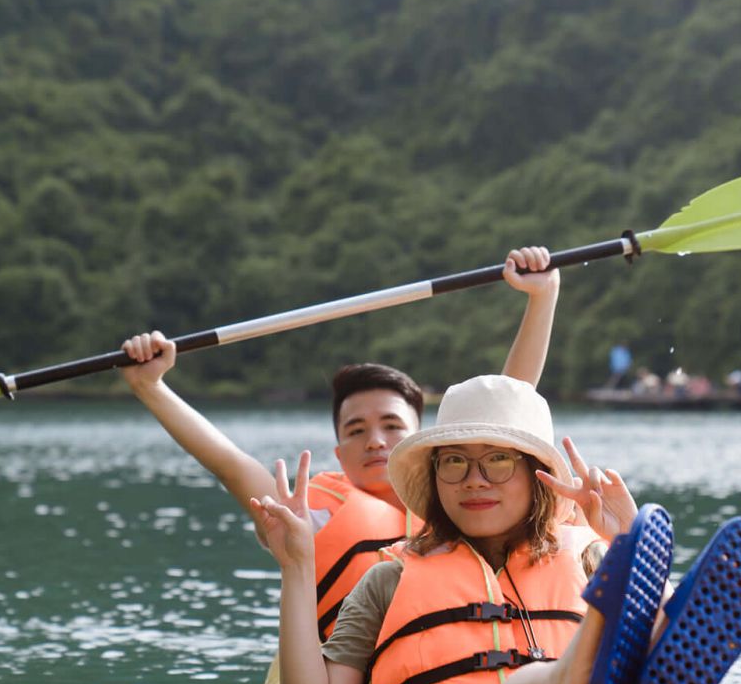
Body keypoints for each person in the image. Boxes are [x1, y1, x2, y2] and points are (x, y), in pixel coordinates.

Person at [252, 374, 741, 684]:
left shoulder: (590, 556)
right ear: (435, 479)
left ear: (538, 477)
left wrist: (622, 544)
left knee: (645, 638)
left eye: (499, 460)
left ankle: (635, 631)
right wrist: (298, 567)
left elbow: (682, 675)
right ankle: (569, 680)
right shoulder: (387, 581)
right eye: (455, 461)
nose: (474, 481)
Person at [119, 248, 561, 638]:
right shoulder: (307, 514)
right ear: (339, 453)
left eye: (392, 426)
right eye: (355, 430)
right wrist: (151, 387)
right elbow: (230, 464)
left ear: (429, 443)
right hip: (356, 670)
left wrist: (542, 296)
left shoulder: (468, 495)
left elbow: (508, 403)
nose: (375, 441)